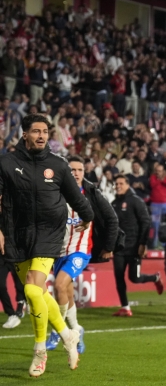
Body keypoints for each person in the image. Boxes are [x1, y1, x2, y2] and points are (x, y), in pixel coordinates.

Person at [0, 114, 94, 377]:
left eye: (45, 132)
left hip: (48, 233)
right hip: (16, 234)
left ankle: (40, 350)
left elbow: (76, 196)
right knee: (38, 293)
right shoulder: (6, 163)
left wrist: (88, 216)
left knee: (31, 287)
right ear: (25, 134)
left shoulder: (58, 165)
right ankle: (67, 334)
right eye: (36, 131)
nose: (41, 136)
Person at [46, 155, 119, 354]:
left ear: (84, 173)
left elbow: (112, 218)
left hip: (80, 251)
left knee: (59, 285)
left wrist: (109, 246)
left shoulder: (91, 193)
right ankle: (77, 330)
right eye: (72, 170)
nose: (76, 173)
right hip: (59, 252)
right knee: (65, 293)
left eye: (79, 170)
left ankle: (56, 331)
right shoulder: (55, 192)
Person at [111, 174, 163, 316]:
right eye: (116, 184)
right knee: (119, 277)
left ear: (128, 185)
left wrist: (143, 244)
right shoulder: (114, 203)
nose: (118, 186)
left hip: (134, 247)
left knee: (135, 278)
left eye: (121, 183)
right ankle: (125, 307)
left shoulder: (136, 201)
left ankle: (155, 278)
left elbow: (145, 222)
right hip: (119, 248)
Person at [0, 253, 25, 328]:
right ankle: (12, 315)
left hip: (16, 254)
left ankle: (20, 306)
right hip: (2, 256)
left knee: (20, 283)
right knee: (0, 285)